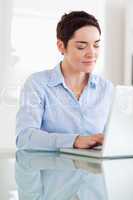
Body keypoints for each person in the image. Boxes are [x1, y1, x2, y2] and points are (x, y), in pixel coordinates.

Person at [16, 11, 113, 150]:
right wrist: (74, 141)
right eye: (81, 46)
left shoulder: (106, 88)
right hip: (51, 169)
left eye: (96, 45)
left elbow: (114, 138)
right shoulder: (37, 84)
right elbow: (24, 138)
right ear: (61, 46)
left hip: (94, 170)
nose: (92, 53)